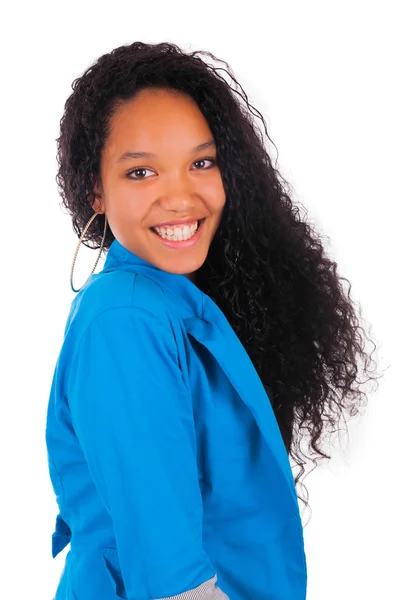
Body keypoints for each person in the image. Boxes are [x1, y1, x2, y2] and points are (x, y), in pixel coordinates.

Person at [46, 41, 379, 600]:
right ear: (94, 193)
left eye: (202, 162)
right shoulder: (125, 320)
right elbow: (169, 573)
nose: (180, 196)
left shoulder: (177, 298)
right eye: (142, 172)